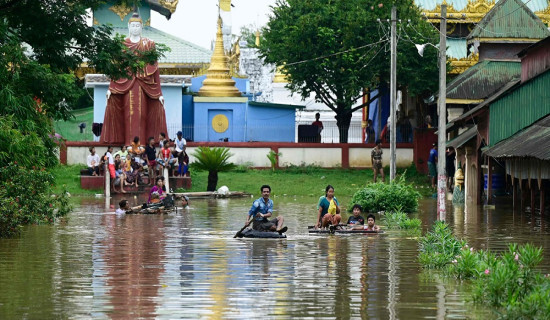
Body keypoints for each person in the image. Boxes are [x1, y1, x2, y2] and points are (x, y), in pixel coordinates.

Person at [100, 12, 167, 145]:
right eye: (133, 25)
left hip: (143, 85)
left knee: (142, 114)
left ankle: (141, 144)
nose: (135, 28)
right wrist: (111, 88)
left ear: (142, 27)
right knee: (128, 114)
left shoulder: (149, 45)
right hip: (126, 84)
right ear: (128, 26)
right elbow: (117, 69)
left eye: (138, 25)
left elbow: (154, 70)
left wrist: (159, 93)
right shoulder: (122, 44)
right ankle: (128, 144)